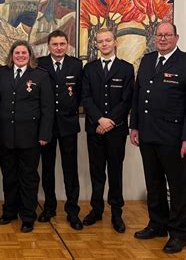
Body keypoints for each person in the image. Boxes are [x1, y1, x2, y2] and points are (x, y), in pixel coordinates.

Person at [130, 22, 186, 253]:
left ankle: (179, 233)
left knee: (178, 186)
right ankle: (157, 224)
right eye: (159, 35)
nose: (163, 39)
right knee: (153, 183)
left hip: (173, 136)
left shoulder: (184, 62)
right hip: (148, 133)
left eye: (167, 35)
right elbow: (137, 94)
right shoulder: (148, 59)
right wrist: (134, 126)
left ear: (176, 37)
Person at [0, 40, 54, 233]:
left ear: (30, 56)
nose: (20, 56)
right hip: (6, 135)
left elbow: (47, 108)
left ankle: (28, 216)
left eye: (24, 53)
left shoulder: (40, 76)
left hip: (30, 137)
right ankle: (10, 211)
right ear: (11, 55)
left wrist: (45, 134)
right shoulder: (1, 73)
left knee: (28, 177)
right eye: (17, 53)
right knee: (9, 176)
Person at [81, 28, 134, 233]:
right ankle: (96, 210)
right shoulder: (89, 68)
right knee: (96, 172)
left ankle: (116, 213)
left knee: (115, 172)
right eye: (100, 41)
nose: (104, 44)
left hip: (116, 130)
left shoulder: (126, 69)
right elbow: (86, 97)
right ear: (96, 44)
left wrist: (110, 121)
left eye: (108, 40)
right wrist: (100, 120)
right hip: (95, 129)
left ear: (115, 42)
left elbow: (126, 99)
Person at [37, 30, 83, 230]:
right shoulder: (40, 64)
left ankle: (72, 211)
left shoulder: (76, 65)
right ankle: (49, 207)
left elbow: (81, 93)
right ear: (48, 46)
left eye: (62, 44)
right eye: (54, 44)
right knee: (47, 169)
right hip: (46, 126)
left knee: (70, 169)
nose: (58, 47)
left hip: (68, 125)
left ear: (67, 44)